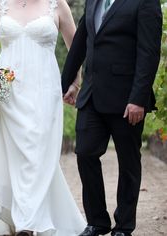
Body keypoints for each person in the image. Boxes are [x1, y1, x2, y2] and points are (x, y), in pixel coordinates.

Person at [0, 0, 86, 235]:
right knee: (12, 154)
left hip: (44, 88)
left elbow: (76, 47)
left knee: (38, 152)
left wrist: (76, 81)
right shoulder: (0, 4)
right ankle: (20, 220)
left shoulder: (57, 5)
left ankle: (28, 220)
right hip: (6, 88)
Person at [62, 0, 162, 235]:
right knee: (85, 153)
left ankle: (124, 225)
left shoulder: (146, 2)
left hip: (127, 99)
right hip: (92, 95)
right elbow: (80, 43)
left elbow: (149, 52)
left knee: (128, 162)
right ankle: (97, 221)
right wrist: (65, 83)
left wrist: (138, 98)